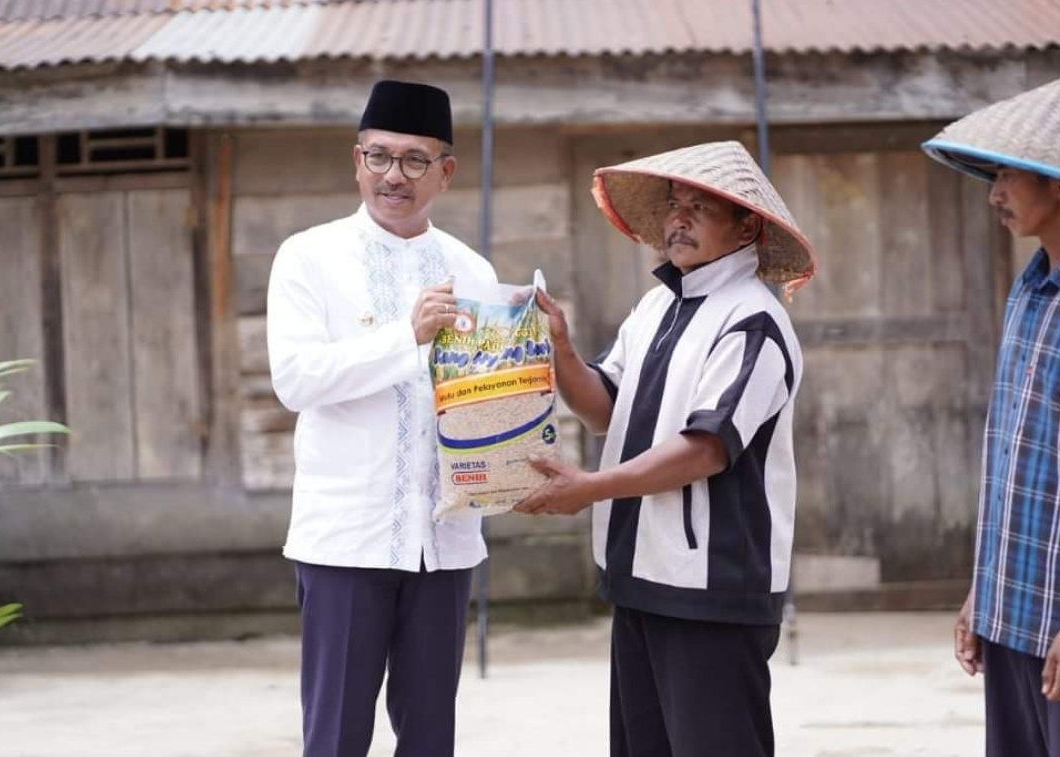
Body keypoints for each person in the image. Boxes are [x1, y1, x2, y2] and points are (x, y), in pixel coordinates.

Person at [516, 141, 817, 756]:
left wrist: (588, 489)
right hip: (640, 574)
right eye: (673, 205)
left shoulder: (752, 321)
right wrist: (562, 350)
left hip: (711, 587)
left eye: (699, 207)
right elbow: (607, 406)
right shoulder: (658, 304)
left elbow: (706, 449)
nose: (677, 219)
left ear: (746, 225)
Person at [266, 79, 497, 757]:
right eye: (379, 157)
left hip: (445, 541)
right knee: (336, 734)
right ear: (356, 160)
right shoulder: (308, 257)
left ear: (445, 172)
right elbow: (296, 378)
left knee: (430, 737)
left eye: (415, 160)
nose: (394, 175)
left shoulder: (473, 271)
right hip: (345, 541)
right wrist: (407, 337)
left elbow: (486, 401)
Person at [922, 78, 1060, 756]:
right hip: (1014, 612)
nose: (994, 194)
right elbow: (1010, 457)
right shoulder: (1030, 290)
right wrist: (985, 589)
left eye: (1008, 173)